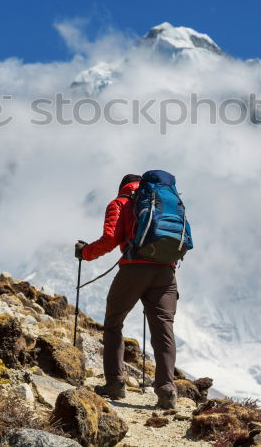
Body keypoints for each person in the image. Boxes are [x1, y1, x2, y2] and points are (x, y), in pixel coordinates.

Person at [75, 173, 180, 409]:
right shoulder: (163, 201)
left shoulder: (121, 202)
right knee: (164, 329)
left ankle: (115, 383)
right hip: (166, 271)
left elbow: (110, 239)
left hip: (134, 269)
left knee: (114, 322)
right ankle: (167, 391)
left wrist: (85, 253)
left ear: (122, 186)